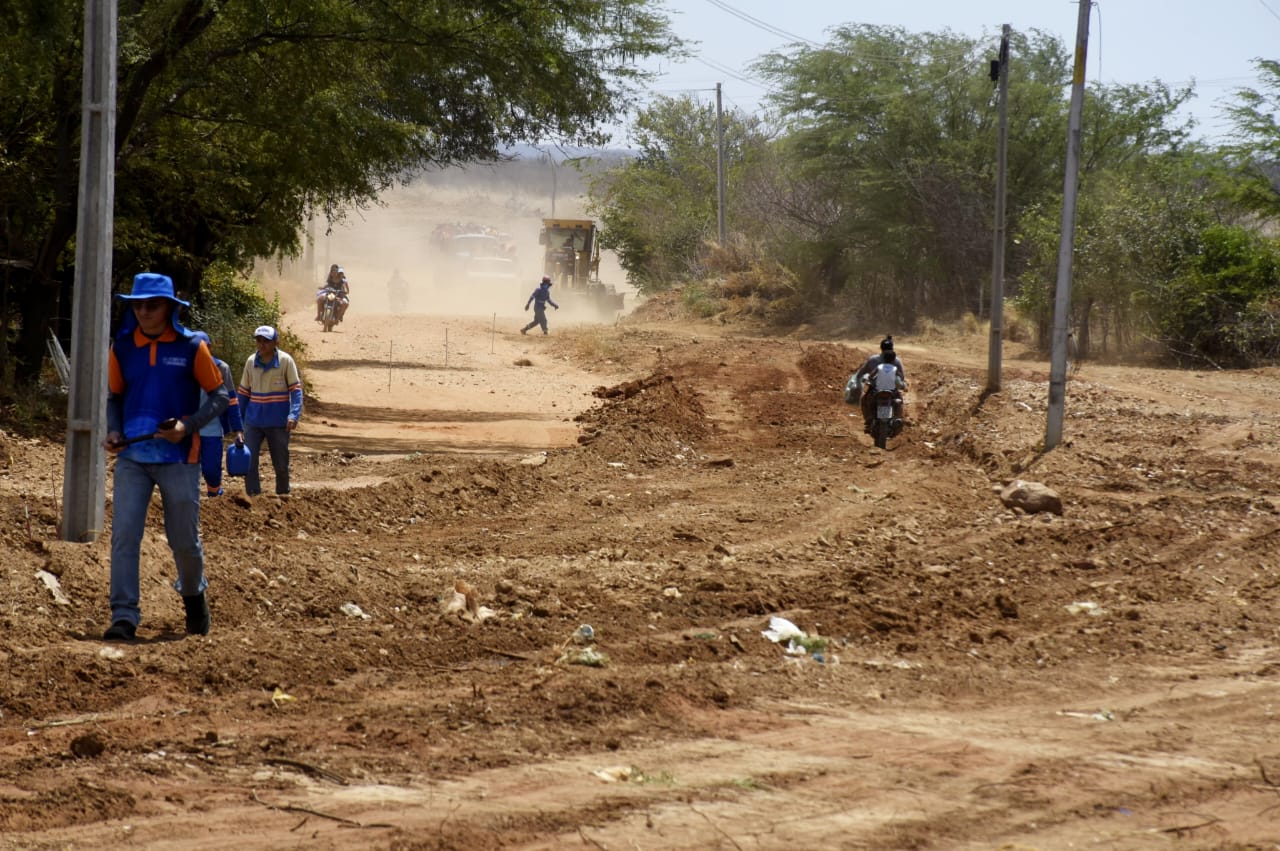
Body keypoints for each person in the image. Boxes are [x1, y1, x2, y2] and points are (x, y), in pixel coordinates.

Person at [103, 273, 230, 641]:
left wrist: (187, 426)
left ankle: (194, 600)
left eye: (152, 305)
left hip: (179, 459)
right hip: (133, 458)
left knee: (184, 542)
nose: (144, 312)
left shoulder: (192, 347)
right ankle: (124, 616)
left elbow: (221, 396)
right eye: (138, 305)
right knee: (124, 537)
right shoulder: (123, 347)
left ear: (170, 308)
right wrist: (113, 432)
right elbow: (115, 397)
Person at [237, 325, 303, 497]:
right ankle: (253, 496)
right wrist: (238, 422)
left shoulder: (285, 361)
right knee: (249, 462)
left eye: (266, 341)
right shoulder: (251, 362)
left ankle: (283, 495)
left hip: (278, 422)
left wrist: (293, 415)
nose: (262, 344)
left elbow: (296, 391)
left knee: (280, 463)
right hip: (253, 422)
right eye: (259, 340)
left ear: (275, 342)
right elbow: (243, 394)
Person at [190, 331, 244, 497]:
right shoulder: (183, 368)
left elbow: (232, 400)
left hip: (212, 429)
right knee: (189, 470)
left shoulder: (221, 368)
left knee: (211, 469)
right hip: (188, 429)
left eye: (203, 348)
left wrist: (238, 429)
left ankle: (215, 496)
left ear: (210, 348)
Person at [851, 336, 907, 434]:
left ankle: (869, 420)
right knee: (899, 401)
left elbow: (863, 373)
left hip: (875, 389)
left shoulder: (873, 360)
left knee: (864, 400)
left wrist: (862, 379)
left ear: (881, 348)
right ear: (892, 349)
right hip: (892, 389)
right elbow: (901, 376)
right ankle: (897, 419)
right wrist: (902, 384)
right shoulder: (896, 361)